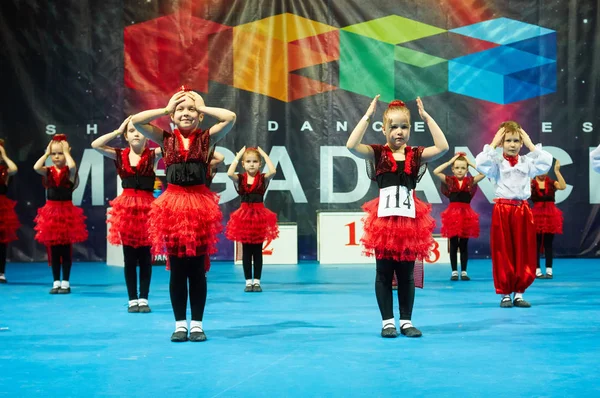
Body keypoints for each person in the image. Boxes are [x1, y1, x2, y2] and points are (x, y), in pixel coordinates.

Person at [131, 87, 236, 342]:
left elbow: (229, 117)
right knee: (177, 269)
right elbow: (137, 121)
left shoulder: (206, 138)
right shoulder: (164, 139)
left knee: (197, 269)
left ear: (199, 115)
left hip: (199, 208)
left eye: (191, 109)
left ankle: (197, 324)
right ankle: (180, 324)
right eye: (180, 109)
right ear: (172, 116)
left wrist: (201, 106)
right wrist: (167, 108)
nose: (185, 113)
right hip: (172, 208)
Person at [346, 95, 449, 338]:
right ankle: (387, 322)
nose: (399, 132)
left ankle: (406, 321)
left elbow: (443, 147)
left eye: (404, 127)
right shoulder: (378, 153)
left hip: (409, 222)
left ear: (410, 129)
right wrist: (367, 116)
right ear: (384, 129)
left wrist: (426, 117)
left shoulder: (416, 155)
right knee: (383, 272)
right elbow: (351, 146)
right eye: (393, 127)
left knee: (406, 274)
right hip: (384, 223)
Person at [475, 122, 552, 308]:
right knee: (503, 251)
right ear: (502, 142)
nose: (512, 144)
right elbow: (479, 163)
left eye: (516, 140)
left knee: (523, 250)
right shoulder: (497, 163)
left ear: (521, 142)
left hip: (522, 211)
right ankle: (505, 294)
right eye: (508, 140)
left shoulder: (528, 162)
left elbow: (546, 163)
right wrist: (493, 143)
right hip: (503, 210)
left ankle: (519, 292)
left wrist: (531, 145)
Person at [92, 117, 162, 313]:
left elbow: (170, 144)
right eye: (132, 130)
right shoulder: (119, 155)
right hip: (127, 211)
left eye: (141, 130)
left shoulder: (153, 155)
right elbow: (95, 145)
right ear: (126, 135)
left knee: (146, 258)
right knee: (130, 257)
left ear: (148, 136)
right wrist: (117, 131)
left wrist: (152, 129)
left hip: (148, 210)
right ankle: (132, 298)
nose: (137, 133)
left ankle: (144, 298)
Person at [33, 134, 88, 294]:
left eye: (60, 153)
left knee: (65, 249)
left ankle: (66, 281)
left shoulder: (69, 171)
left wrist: (67, 152)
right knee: (54, 249)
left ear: (67, 152)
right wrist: (46, 153)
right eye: (54, 154)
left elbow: (72, 167)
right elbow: (36, 167)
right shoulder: (48, 171)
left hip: (66, 213)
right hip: (51, 213)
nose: (57, 157)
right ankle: (56, 280)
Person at [226, 146, 278, 292]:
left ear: (259, 163)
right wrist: (238, 156)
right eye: (248, 161)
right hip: (244, 217)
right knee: (247, 252)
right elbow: (230, 173)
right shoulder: (241, 178)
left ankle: (257, 281)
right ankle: (248, 281)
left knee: (257, 251)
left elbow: (273, 171)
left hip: (259, 217)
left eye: (255, 161)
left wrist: (264, 154)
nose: (252, 164)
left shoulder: (262, 178)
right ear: (243, 164)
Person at [433, 152, 484, 281]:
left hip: (466, 216)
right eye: (457, 168)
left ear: (466, 169)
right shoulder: (449, 181)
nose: (460, 170)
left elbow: (483, 173)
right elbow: (436, 171)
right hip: (452, 216)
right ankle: (454, 271)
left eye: (463, 168)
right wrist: (450, 161)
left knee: (464, 245)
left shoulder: (470, 181)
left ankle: (464, 271)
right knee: (454, 244)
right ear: (453, 169)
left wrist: (471, 163)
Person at [530, 160, 566, 279]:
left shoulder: (551, 183)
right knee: (536, 243)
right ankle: (537, 270)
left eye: (544, 170)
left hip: (550, 216)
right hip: (536, 216)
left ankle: (549, 270)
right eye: (539, 170)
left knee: (548, 244)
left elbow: (563, 186)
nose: (542, 173)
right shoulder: (531, 183)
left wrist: (557, 171)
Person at [0, 139, 19, 283]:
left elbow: (14, 169)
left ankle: (1, 272)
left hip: (2, 208)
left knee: (2, 242)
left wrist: (4, 156)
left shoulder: (4, 171)